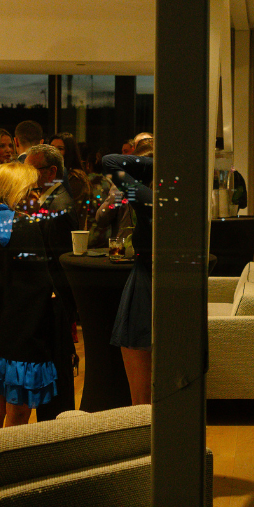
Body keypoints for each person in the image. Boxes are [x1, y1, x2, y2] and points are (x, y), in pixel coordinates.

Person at [0, 161, 68, 431]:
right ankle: (10, 468)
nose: (36, 194)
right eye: (32, 188)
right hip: (23, 330)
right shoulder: (25, 226)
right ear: (17, 190)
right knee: (18, 412)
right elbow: (38, 284)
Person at [24, 143, 79, 418]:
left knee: (56, 380)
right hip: (52, 301)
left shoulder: (58, 206)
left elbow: (58, 265)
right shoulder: (49, 199)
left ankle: (56, 438)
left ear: (51, 171)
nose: (25, 174)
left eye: (31, 169)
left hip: (55, 303)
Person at [102, 136, 154, 405]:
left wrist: (152, 163)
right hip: (160, 280)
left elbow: (109, 162)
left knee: (141, 400)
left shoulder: (149, 199)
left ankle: (144, 443)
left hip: (148, 284)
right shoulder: (182, 195)